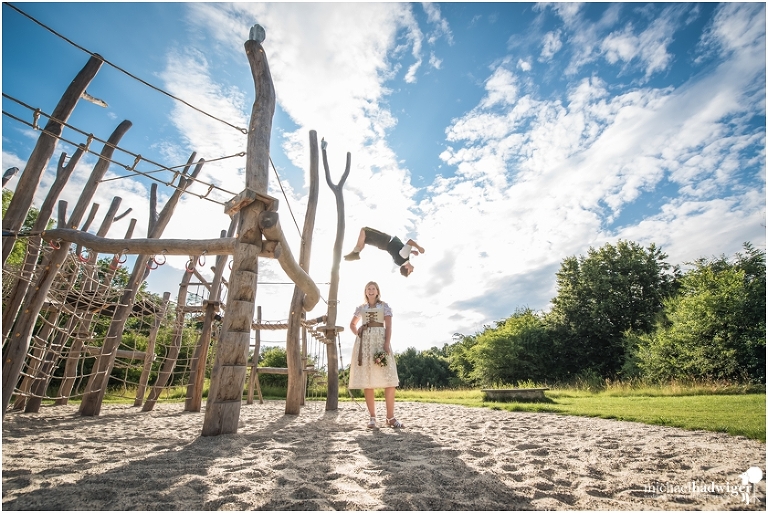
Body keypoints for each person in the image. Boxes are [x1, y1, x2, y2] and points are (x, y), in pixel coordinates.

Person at [348, 281, 404, 429]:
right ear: (365, 292)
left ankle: (390, 417)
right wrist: (358, 334)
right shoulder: (361, 308)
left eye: (373, 288)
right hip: (365, 344)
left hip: (380, 342)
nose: (371, 291)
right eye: (368, 289)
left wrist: (386, 344)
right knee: (368, 380)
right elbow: (352, 325)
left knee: (389, 379)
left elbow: (389, 326)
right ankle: (372, 417)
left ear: (377, 291)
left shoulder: (384, 306)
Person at [344, 227, 425, 277]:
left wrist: (419, 247)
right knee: (364, 239)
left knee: (364, 230)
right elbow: (398, 250)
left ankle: (356, 252)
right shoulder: (399, 262)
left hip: (385, 240)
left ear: (406, 268)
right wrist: (412, 251)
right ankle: (356, 253)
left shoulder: (404, 257)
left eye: (410, 272)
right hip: (383, 246)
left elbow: (410, 242)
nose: (412, 271)